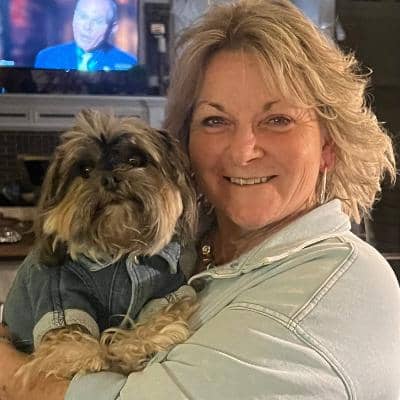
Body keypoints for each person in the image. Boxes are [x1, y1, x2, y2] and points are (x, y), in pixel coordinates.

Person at [1, 0, 399, 398]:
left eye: (278, 120)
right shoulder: (181, 247)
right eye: (215, 120)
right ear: (184, 146)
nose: (243, 151)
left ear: (329, 145)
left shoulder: (338, 294)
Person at [34, 0, 137, 71]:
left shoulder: (129, 64)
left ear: (112, 28)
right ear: (74, 18)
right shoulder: (47, 58)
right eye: (83, 17)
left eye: (97, 21)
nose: (87, 27)